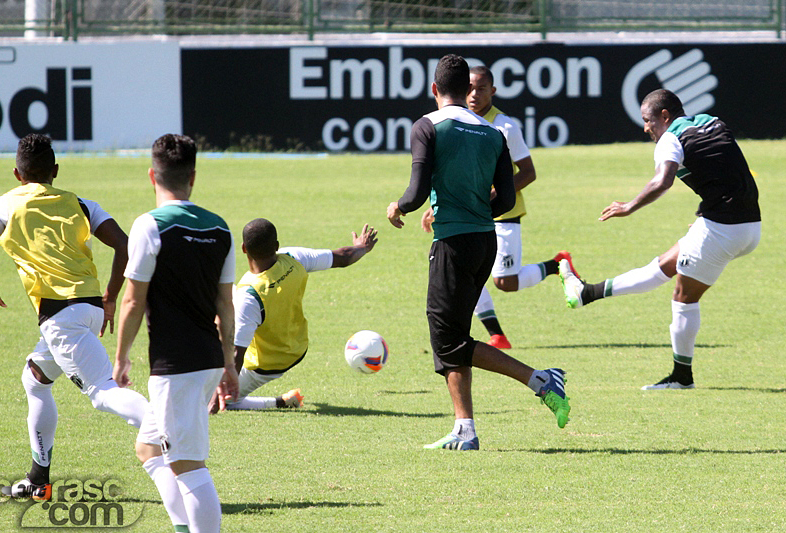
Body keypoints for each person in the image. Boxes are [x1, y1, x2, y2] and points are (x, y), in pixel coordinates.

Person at [386, 54, 570, 451]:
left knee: (447, 341)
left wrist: (397, 206)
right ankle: (464, 430)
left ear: (434, 89)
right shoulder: (493, 133)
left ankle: (539, 379)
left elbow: (416, 192)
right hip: (485, 241)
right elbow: (506, 197)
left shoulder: (427, 125)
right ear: (465, 89)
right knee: (454, 336)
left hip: (452, 244)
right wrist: (474, 209)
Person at [559, 88, 761, 390]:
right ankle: (587, 293)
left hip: (723, 228)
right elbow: (728, 167)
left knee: (683, 296)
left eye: (648, 120)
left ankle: (682, 378)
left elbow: (662, 180)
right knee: (665, 265)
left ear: (664, 116)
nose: (645, 128)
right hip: (749, 224)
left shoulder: (670, 139)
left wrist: (628, 206)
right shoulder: (713, 121)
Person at [0, 134, 148, 500]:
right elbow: (126, 246)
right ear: (55, 171)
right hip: (88, 308)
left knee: (103, 394)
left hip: (61, 318)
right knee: (35, 378)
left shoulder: (2, 205)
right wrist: (110, 298)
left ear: (16, 173)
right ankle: (37, 479)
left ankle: (161, 426)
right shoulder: (81, 204)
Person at [113, 134, 239, 533]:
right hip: (205, 362)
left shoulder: (149, 225)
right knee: (150, 449)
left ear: (152, 175)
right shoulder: (219, 228)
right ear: (193, 177)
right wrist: (229, 363)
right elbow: (225, 306)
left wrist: (121, 357)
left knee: (188, 466)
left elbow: (132, 301)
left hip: (175, 367)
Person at [422, 65, 577, 350]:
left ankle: (556, 265)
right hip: (466, 215)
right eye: (469, 88)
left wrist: (489, 193)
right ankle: (496, 335)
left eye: (481, 88)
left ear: (492, 91)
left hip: (503, 214)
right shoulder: (457, 121)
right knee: (464, 273)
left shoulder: (503, 125)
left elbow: (528, 172)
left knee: (505, 282)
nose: (474, 94)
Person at [210, 218, 378, 413]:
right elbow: (342, 256)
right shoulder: (293, 257)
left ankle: (278, 402)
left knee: (223, 398)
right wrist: (361, 247)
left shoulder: (249, 298)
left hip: (267, 365)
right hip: (298, 347)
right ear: (276, 246)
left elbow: (237, 355)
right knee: (224, 294)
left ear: (244, 248)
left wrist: (214, 399)